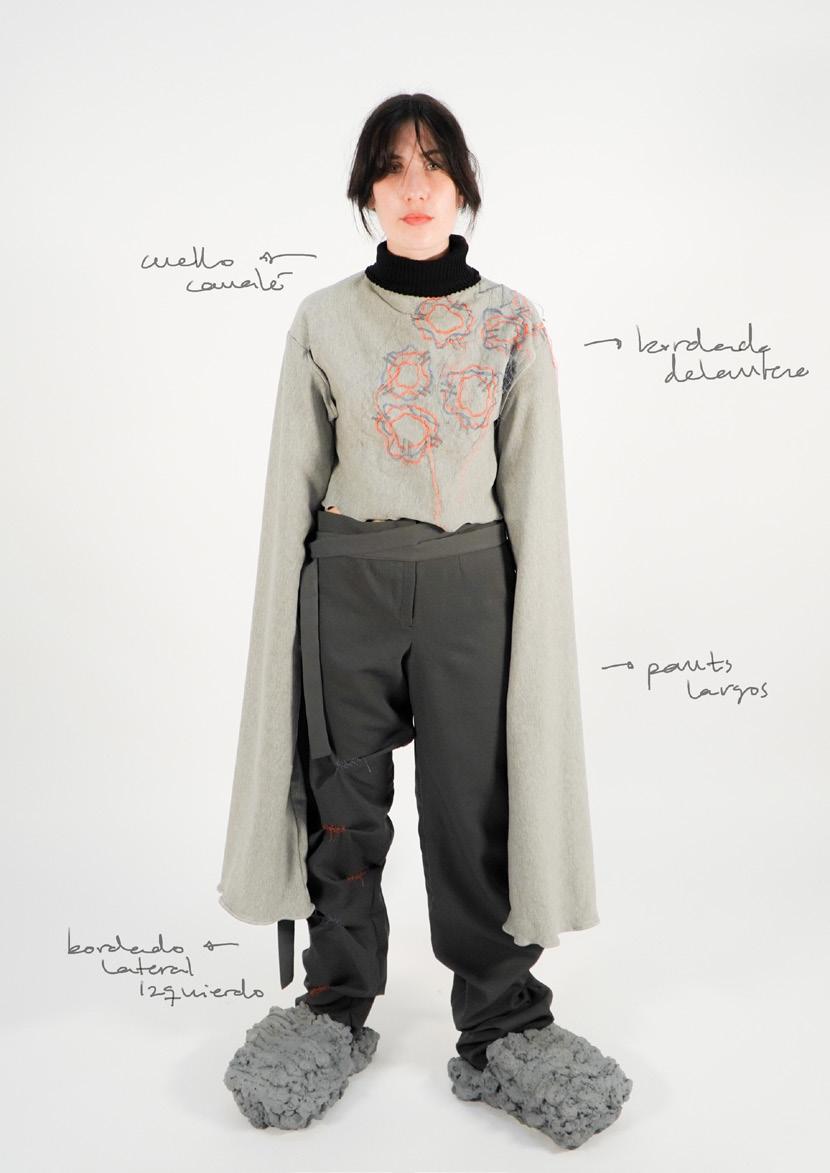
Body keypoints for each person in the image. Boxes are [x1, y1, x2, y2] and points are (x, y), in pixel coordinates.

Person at [220, 92, 632, 1146]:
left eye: (434, 164)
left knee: (473, 810)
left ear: (463, 189)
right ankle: (333, 1004)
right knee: (343, 807)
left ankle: (501, 1023)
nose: (413, 186)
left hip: (469, 589)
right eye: (391, 167)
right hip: (347, 584)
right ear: (365, 191)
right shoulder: (322, 320)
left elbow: (533, 494)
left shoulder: (511, 321)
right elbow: (291, 486)